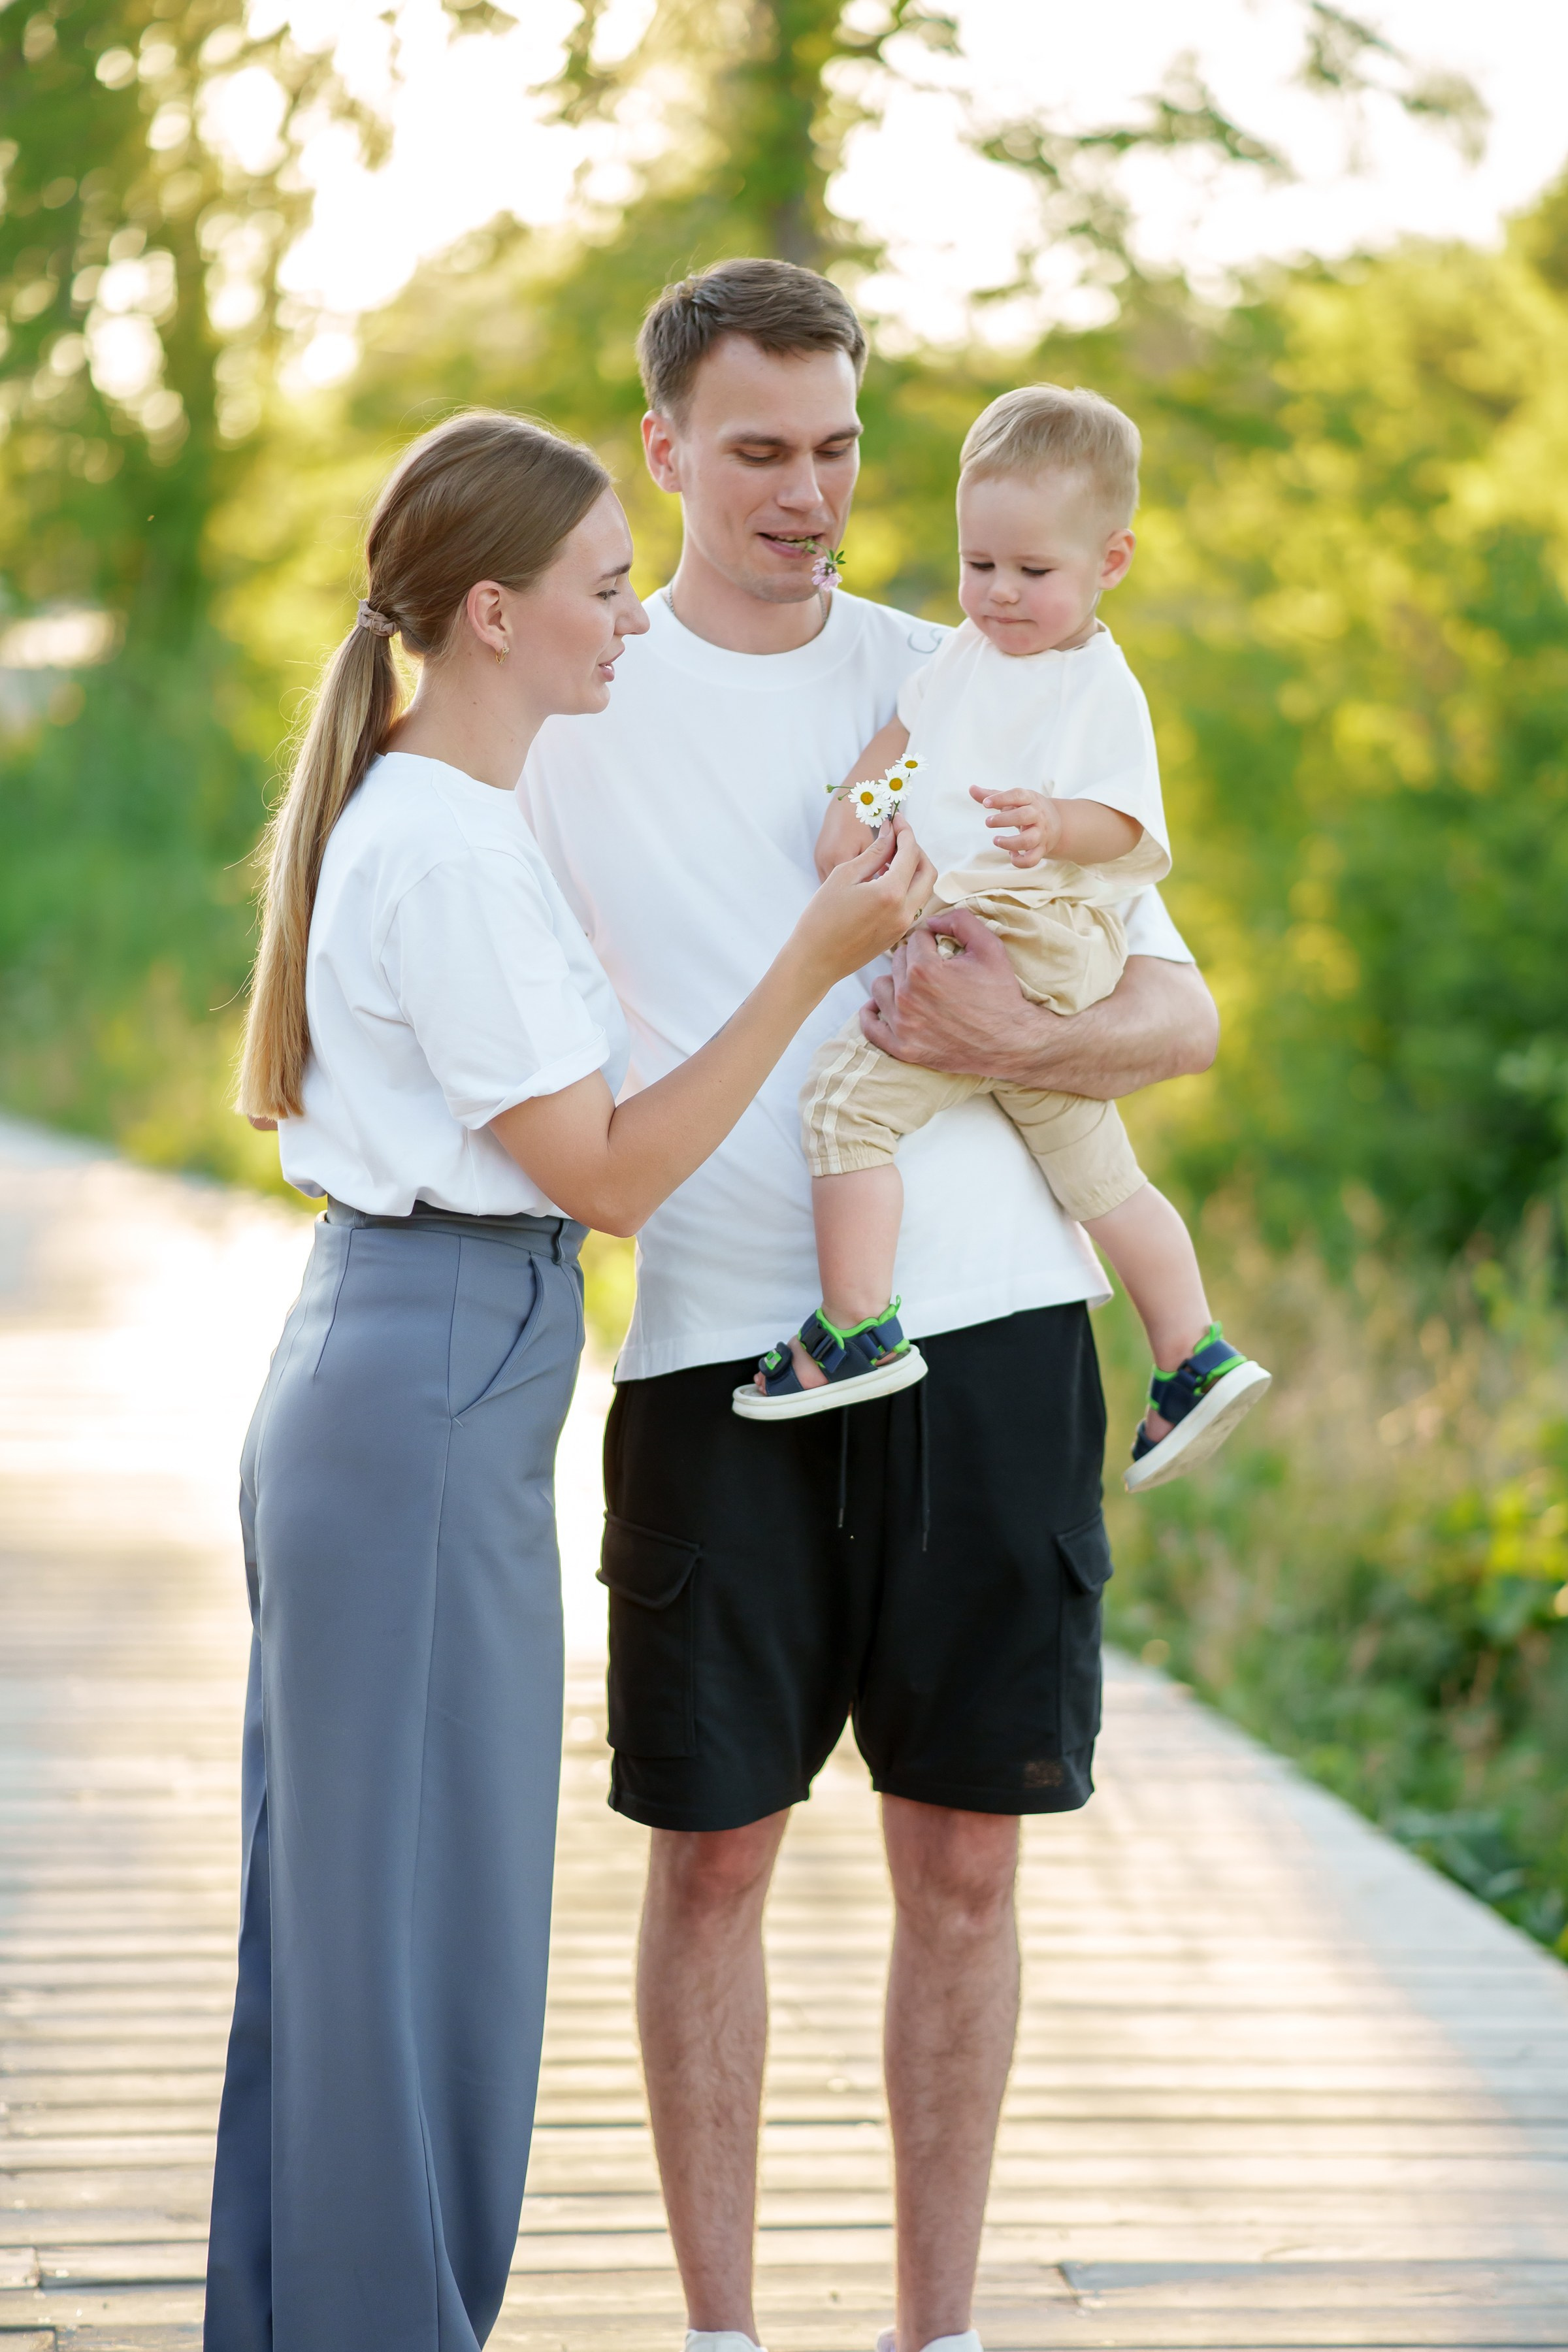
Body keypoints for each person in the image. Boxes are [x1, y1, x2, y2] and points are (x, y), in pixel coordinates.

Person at [519, 261, 1220, 2352]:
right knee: (713, 1860)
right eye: (759, 450)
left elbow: (1178, 1015)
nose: (809, 494)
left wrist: (1027, 1035)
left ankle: (941, 2333)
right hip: (718, 1353)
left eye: (837, 449)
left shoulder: (986, 662)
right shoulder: (574, 703)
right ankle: (722, 2334)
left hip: (995, 1340)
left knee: (969, 1867)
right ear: (664, 450)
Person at [204, 408, 930, 2352]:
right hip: (429, 1376)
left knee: (385, 1916)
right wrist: (813, 959)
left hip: (436, 1369)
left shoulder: (456, 817)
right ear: (495, 612)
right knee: (408, 1927)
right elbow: (605, 1176)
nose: (634, 621)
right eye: (609, 589)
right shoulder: (446, 847)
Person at [746, 383, 1269, 1493]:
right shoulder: (963, 657)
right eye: (978, 563)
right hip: (995, 927)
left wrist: (1056, 824)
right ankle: (1192, 1353)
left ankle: (857, 1325)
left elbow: (1130, 825)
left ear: (1110, 562)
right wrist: (858, 804)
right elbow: (905, 740)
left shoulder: (1096, 683)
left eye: (1033, 571)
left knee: (845, 1107)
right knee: (1089, 1163)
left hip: (1031, 926)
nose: (999, 593)